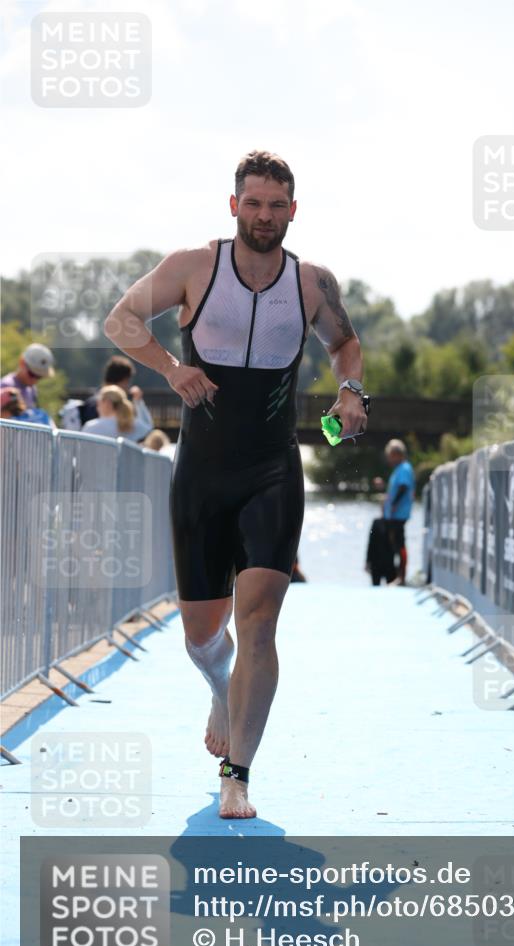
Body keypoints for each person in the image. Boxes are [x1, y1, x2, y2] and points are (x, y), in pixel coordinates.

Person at [104, 149, 367, 819]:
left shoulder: (312, 283)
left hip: (273, 469)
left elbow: (344, 344)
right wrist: (169, 367)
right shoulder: (193, 267)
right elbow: (120, 321)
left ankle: (237, 774)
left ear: (292, 211)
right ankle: (220, 689)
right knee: (201, 636)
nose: (264, 216)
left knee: (259, 623)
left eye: (276, 205)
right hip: (202, 472)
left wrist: (349, 391)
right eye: (253, 203)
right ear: (233, 206)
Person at [61, 355, 154, 433]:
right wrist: (138, 402)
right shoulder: (109, 404)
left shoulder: (92, 402)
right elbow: (146, 428)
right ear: (125, 380)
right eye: (128, 381)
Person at [382, 439, 415, 586]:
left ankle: (402, 577)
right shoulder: (399, 469)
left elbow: (403, 487)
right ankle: (398, 575)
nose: (389, 459)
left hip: (399, 514)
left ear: (397, 454)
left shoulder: (405, 468)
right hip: (394, 514)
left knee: (400, 543)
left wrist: (394, 504)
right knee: (395, 543)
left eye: (390, 455)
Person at [81, 385, 153, 442]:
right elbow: (148, 427)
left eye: (99, 401)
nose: (97, 405)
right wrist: (138, 402)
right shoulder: (133, 425)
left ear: (107, 403)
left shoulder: (91, 427)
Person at [1, 342, 55, 410]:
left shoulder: (32, 389)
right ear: (22, 362)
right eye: (32, 374)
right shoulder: (6, 386)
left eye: (39, 377)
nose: (34, 380)